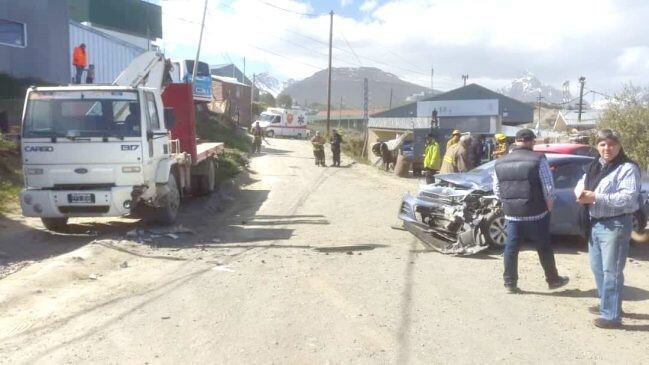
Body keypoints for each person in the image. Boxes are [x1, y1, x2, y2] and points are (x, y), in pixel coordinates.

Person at [574, 129, 640, 329]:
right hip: (595, 223)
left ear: (619, 146)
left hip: (616, 224)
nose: (607, 148)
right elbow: (581, 183)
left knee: (612, 271)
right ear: (597, 146)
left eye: (611, 144)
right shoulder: (596, 165)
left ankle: (611, 316)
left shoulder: (627, 168)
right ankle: (608, 304)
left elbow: (628, 198)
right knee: (598, 268)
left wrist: (596, 197)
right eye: (602, 144)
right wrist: (578, 192)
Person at [493, 128, 569, 294]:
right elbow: (548, 187)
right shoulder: (539, 159)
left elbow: (497, 190)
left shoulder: (499, 162)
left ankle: (509, 283)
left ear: (516, 141)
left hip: (512, 214)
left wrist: (508, 203)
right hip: (536, 213)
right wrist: (549, 208)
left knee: (511, 248)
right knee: (544, 247)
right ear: (531, 142)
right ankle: (553, 280)